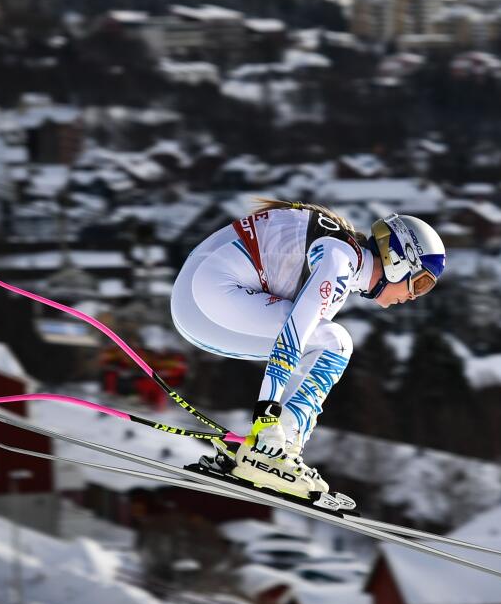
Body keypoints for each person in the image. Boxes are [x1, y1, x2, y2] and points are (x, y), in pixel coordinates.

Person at [170, 200, 446, 502]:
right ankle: (271, 454)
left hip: (199, 301)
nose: (412, 296)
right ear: (398, 259)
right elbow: (293, 335)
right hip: (209, 294)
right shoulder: (339, 259)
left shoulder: (344, 258)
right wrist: (266, 417)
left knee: (328, 342)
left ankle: (274, 452)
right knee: (335, 341)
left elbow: (298, 348)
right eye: (420, 284)